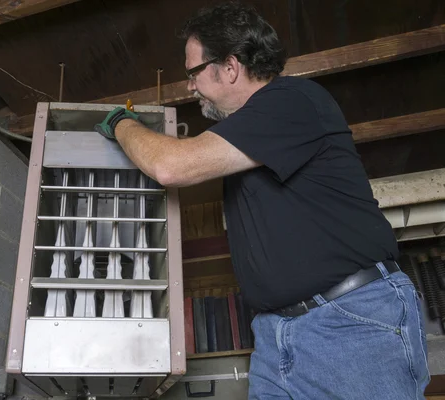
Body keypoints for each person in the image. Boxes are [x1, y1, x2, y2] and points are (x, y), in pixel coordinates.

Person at [94, 2, 429, 399]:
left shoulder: (292, 101)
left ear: (230, 67)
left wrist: (120, 122)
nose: (190, 86)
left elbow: (171, 166)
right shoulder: (248, 140)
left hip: (349, 321)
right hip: (274, 334)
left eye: (193, 73)